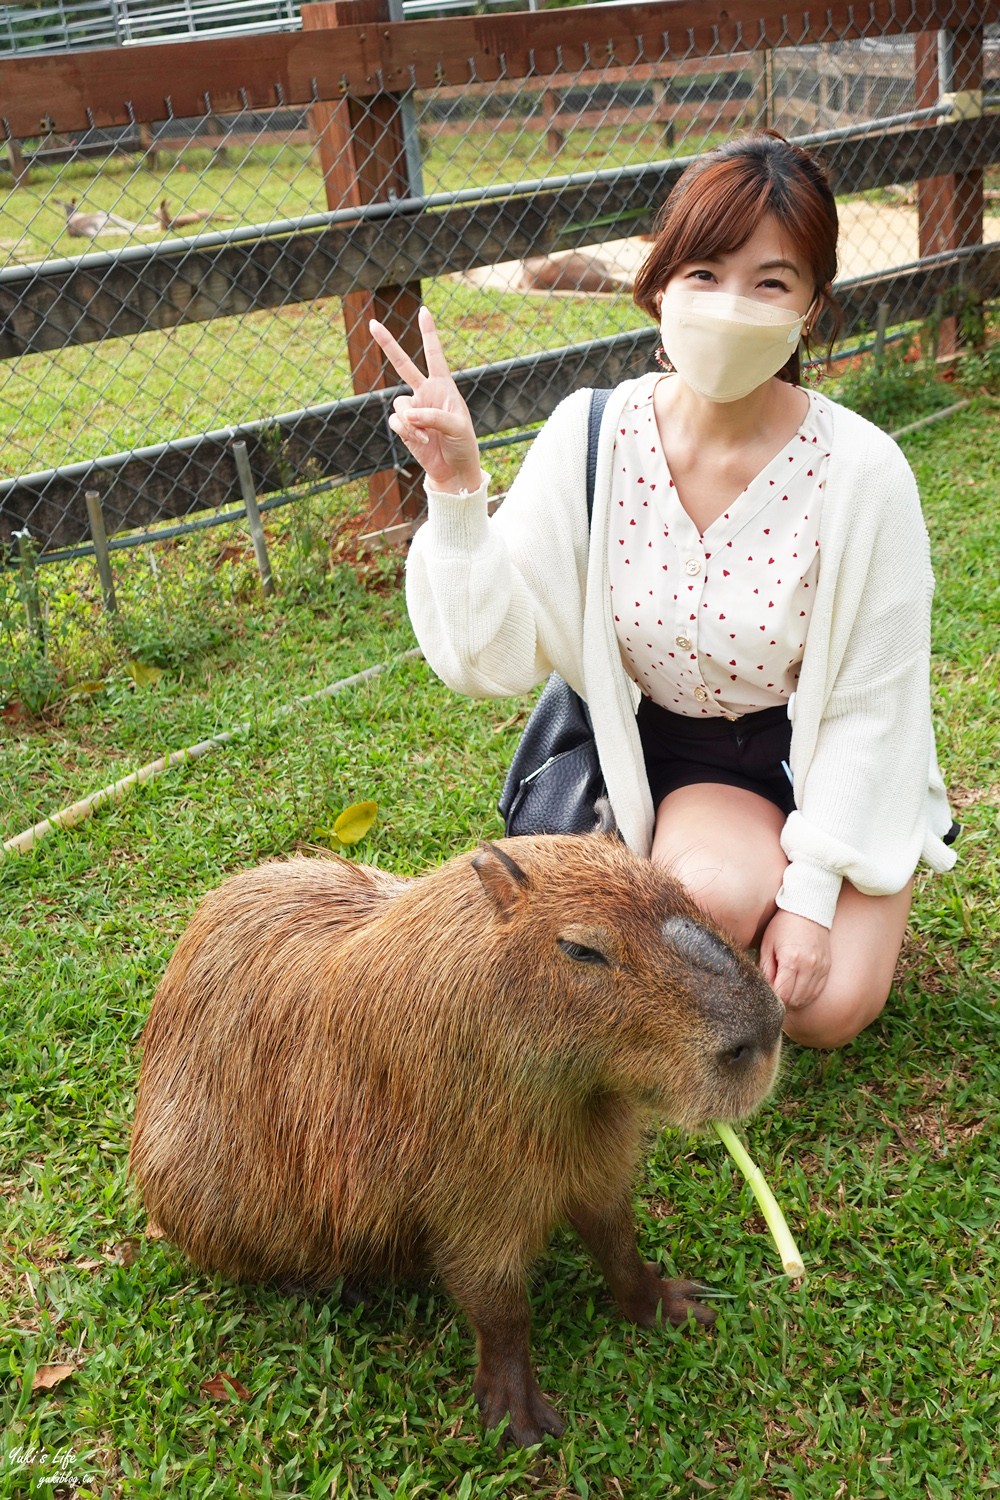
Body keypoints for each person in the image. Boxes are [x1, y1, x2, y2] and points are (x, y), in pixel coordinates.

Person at [369, 129, 958, 1050]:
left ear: (811, 307)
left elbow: (876, 710)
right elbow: (488, 655)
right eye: (705, 273)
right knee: (716, 907)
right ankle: (734, 877)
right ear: (657, 287)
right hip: (692, 759)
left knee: (826, 1008)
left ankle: (839, 869)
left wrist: (809, 896)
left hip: (826, 756)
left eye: (772, 281)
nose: (733, 306)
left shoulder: (863, 472)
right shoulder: (594, 436)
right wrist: (456, 492)